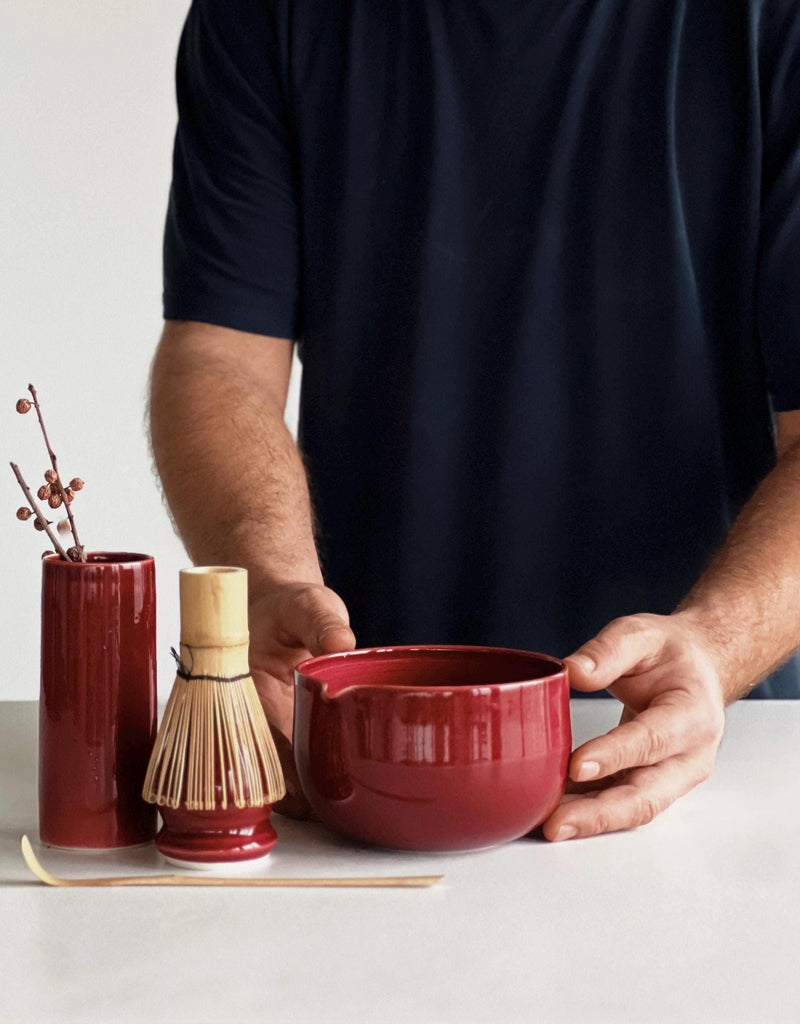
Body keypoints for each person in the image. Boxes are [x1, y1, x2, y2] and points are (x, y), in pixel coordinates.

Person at [148, 1, 800, 839]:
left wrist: (718, 646)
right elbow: (220, 356)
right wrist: (272, 583)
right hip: (363, 745)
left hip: (703, 741)